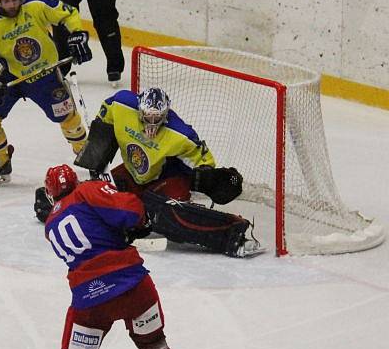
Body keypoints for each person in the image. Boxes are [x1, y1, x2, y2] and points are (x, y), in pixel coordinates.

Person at [32, 164, 188, 349]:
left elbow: (90, 239)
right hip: (133, 285)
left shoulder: (50, 226)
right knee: (154, 343)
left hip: (90, 299)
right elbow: (129, 211)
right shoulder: (87, 190)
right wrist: (137, 222)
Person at [34, 87, 261, 257]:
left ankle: (234, 232)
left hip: (167, 177)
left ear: (166, 114)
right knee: (101, 196)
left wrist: (208, 178)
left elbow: (205, 161)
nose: (152, 122)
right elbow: (106, 116)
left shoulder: (181, 134)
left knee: (164, 216)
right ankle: (58, 204)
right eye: (147, 116)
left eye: (157, 118)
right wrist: (98, 149)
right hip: (134, 173)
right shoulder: (122, 105)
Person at [0, 0, 93, 185]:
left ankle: (87, 155)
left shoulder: (36, 4)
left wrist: (77, 33)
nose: (12, 4)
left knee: (68, 118)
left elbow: (68, 12)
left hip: (45, 76)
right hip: (10, 78)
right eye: (6, 1)